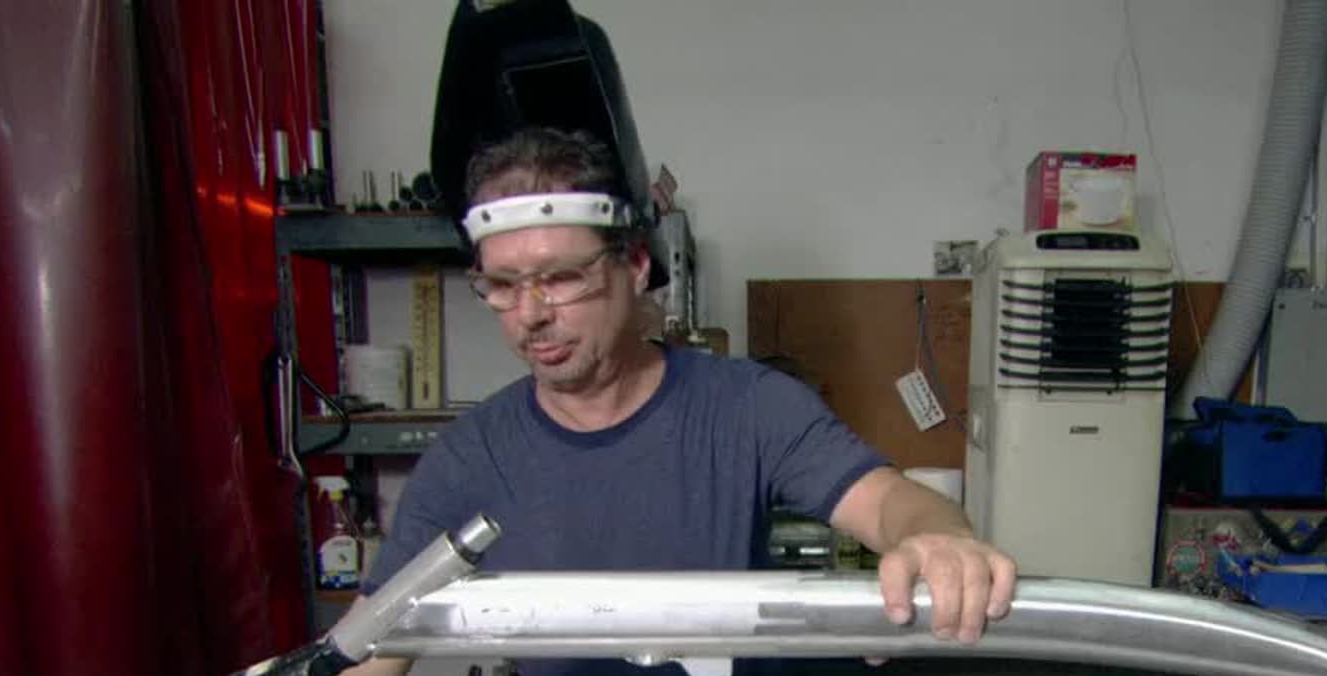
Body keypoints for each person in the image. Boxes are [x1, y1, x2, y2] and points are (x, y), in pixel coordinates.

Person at [344, 127, 1016, 676]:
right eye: (503, 285)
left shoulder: (747, 407)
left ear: (636, 265)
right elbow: (369, 650)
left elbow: (891, 502)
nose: (531, 315)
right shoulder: (469, 457)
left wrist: (939, 540)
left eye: (563, 278)